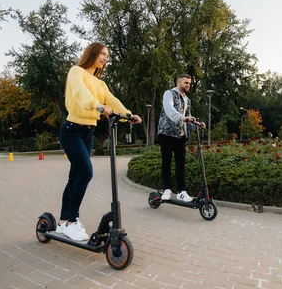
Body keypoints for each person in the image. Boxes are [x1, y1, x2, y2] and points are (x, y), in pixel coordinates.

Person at [57, 42, 142, 241]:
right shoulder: (76, 72)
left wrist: (129, 115)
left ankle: (62, 222)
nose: (105, 58)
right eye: (102, 53)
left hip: (88, 133)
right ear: (92, 53)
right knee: (86, 173)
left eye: (107, 55)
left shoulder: (100, 84)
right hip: (71, 131)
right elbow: (80, 93)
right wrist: (97, 106)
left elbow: (112, 100)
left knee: (75, 177)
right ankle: (72, 221)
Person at [157, 73, 205, 202]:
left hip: (180, 135)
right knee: (166, 162)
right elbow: (169, 109)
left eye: (189, 83)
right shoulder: (169, 94)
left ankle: (181, 192)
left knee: (181, 163)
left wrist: (196, 124)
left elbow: (188, 118)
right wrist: (182, 118)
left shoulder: (187, 100)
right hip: (167, 133)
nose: (188, 85)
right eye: (185, 83)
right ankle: (167, 189)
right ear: (178, 83)